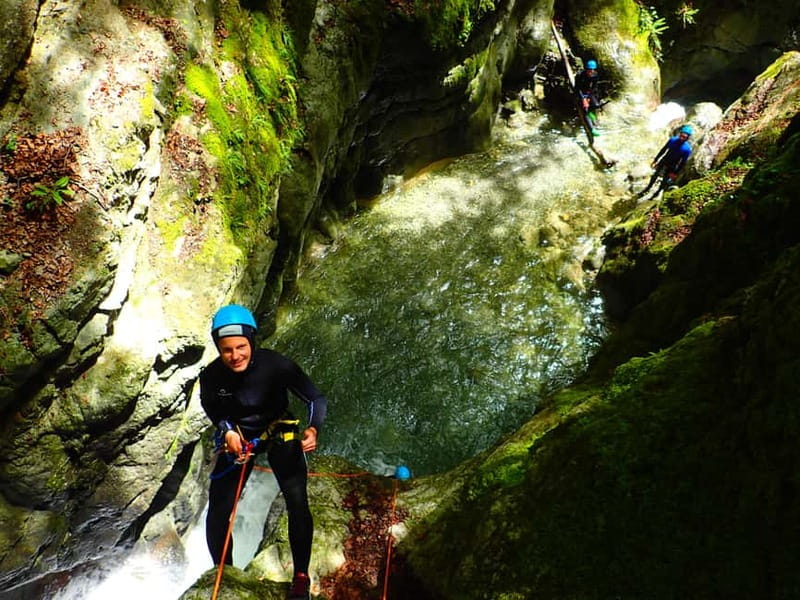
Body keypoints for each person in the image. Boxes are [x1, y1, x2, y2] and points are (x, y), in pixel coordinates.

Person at [200, 304, 328, 600]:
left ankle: (300, 578)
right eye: (227, 350)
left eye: (241, 347)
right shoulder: (211, 377)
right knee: (218, 514)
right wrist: (228, 429)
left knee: (297, 501)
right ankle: (224, 573)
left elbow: (314, 398)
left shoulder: (277, 366)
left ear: (252, 342)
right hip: (241, 437)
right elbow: (212, 407)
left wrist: (313, 429)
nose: (235, 356)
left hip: (277, 428)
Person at [639, 124, 694, 198]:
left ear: (687, 138)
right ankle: (648, 188)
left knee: (664, 180)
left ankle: (657, 192)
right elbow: (663, 149)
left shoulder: (687, 149)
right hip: (664, 160)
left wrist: (675, 173)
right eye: (681, 135)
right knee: (655, 175)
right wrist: (656, 160)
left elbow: (683, 162)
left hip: (673, 165)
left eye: (684, 137)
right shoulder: (672, 140)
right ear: (680, 133)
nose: (682, 138)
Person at [575, 59, 602, 135]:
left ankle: (592, 116)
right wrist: (583, 99)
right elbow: (577, 88)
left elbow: (593, 87)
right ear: (586, 69)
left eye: (592, 70)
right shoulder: (580, 75)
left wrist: (589, 97)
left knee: (596, 105)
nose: (591, 72)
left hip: (587, 91)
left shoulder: (595, 75)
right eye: (589, 70)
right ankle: (592, 129)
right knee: (585, 109)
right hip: (579, 92)